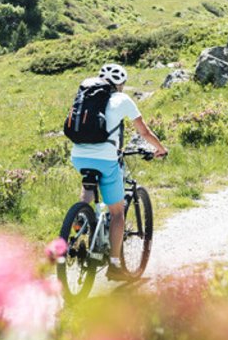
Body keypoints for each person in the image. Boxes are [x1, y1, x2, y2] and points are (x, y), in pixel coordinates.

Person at [67, 63, 166, 276]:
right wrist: (160, 149)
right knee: (118, 212)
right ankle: (114, 264)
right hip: (106, 158)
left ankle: (77, 227)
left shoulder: (86, 96)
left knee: (88, 190)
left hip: (78, 156)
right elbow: (144, 132)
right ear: (121, 84)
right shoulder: (122, 99)